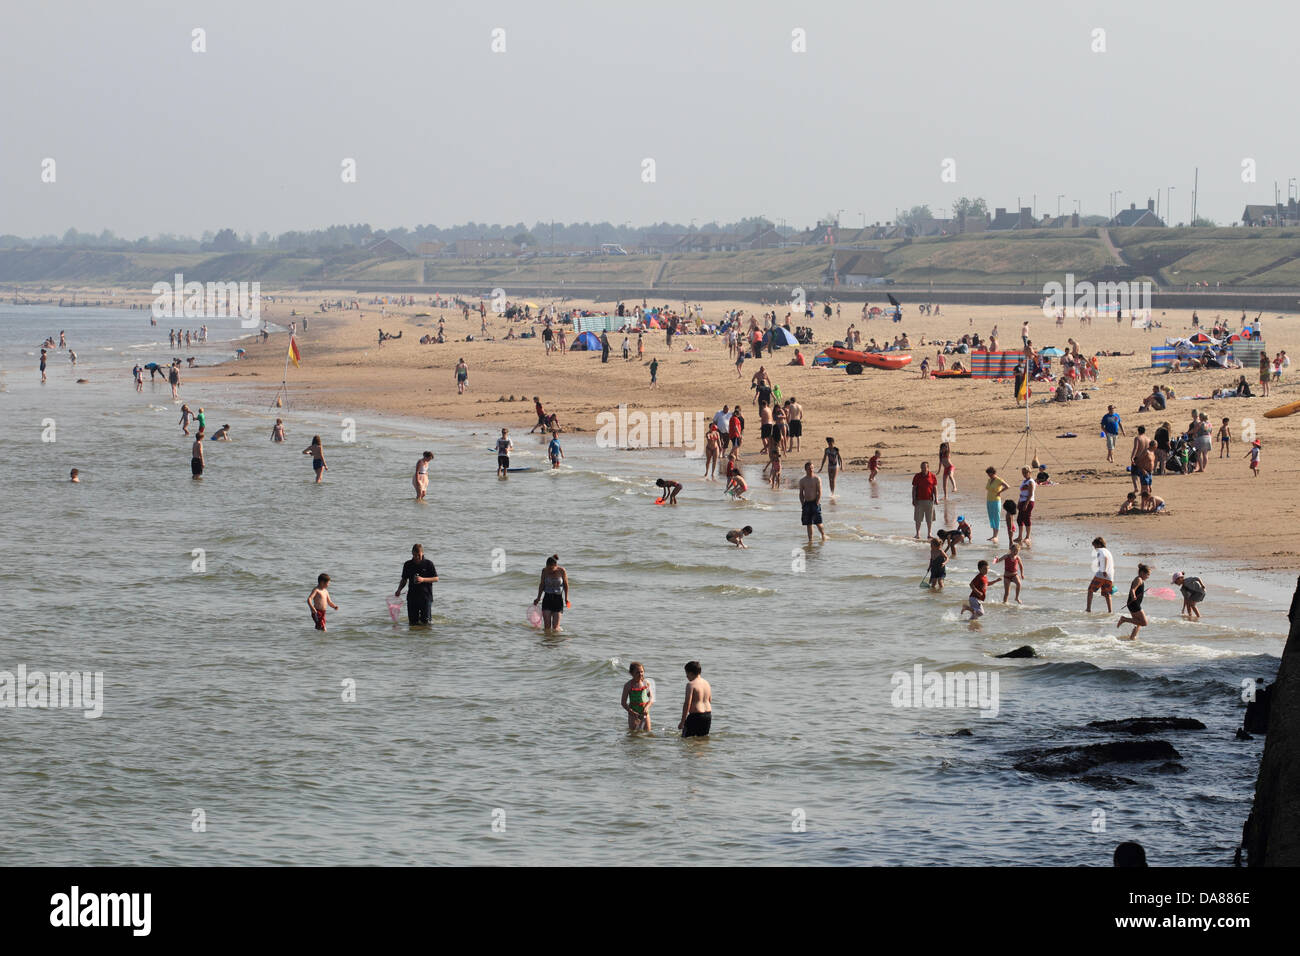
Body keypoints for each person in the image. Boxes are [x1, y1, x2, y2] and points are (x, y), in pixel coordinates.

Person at [395, 544, 439, 625]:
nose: (416, 557)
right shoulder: (408, 564)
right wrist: (399, 590)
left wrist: (423, 579)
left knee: (426, 623)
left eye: (419, 555)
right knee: (412, 623)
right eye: (414, 555)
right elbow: (404, 579)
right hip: (412, 598)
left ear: (422, 553)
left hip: (426, 597)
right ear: (412, 553)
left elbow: (436, 578)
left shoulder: (428, 564)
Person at [533, 555, 569, 632]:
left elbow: (566, 585)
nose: (549, 570)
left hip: (558, 600)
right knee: (547, 628)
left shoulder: (562, 571)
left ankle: (556, 638)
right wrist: (538, 598)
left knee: (555, 628)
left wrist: (566, 599)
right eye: (548, 568)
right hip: (547, 599)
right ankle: (547, 639)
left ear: (556, 565)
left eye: (551, 568)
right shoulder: (544, 571)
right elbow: (542, 585)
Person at [1117, 564, 1152, 640]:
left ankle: (1132, 637)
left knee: (1137, 622)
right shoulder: (1139, 579)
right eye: (1147, 574)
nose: (1148, 577)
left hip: (1133, 603)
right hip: (1134, 604)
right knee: (1144, 623)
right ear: (1142, 573)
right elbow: (1133, 589)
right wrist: (1133, 596)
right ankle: (1124, 619)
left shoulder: (1140, 579)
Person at [679, 661, 712, 738]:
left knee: (685, 739)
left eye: (686, 674)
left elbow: (687, 703)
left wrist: (682, 721)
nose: (686, 676)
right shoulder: (707, 683)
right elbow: (709, 700)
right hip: (708, 716)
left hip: (695, 716)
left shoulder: (691, 685)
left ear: (690, 673)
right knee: (702, 739)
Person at [621, 662, 654, 731]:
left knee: (648, 732)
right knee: (634, 734)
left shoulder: (646, 683)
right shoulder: (628, 685)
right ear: (631, 673)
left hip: (645, 712)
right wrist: (631, 712)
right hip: (633, 714)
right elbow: (623, 703)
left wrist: (647, 708)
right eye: (637, 672)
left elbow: (651, 698)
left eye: (642, 672)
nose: (640, 674)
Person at [798, 462, 826, 542]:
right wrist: (802, 504)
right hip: (806, 503)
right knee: (808, 523)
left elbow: (819, 491)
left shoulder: (816, 479)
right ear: (805, 469)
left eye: (812, 468)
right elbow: (801, 493)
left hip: (815, 503)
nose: (811, 470)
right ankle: (810, 540)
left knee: (818, 522)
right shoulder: (802, 480)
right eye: (809, 468)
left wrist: (817, 502)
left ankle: (823, 535)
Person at [1087, 536, 1115, 612]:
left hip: (1101, 574)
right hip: (1110, 576)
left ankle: (1088, 609)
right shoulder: (1107, 551)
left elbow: (1105, 558)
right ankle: (1110, 611)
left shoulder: (1100, 551)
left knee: (1090, 590)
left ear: (1099, 544)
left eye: (1095, 546)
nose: (1094, 548)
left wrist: (1104, 570)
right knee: (1107, 594)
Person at [911, 461, 938, 538]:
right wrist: (913, 499)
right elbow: (914, 489)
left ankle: (929, 534)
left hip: (929, 500)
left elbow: (935, 488)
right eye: (922, 467)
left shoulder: (932, 476)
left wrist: (936, 499)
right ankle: (917, 534)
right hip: (919, 501)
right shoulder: (917, 476)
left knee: (929, 519)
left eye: (925, 467)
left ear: (928, 468)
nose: (923, 469)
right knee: (918, 519)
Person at [985, 467, 1010, 541]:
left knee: (996, 517)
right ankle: (993, 535)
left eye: (989, 474)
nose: (988, 475)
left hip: (996, 501)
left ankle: (996, 536)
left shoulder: (999, 480)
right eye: (988, 474)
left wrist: (1000, 492)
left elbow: (1007, 486)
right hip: (989, 500)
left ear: (993, 473)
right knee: (991, 517)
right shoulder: (989, 480)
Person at [1016, 467, 1035, 547]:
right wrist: (1019, 502)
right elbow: (1021, 493)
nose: (1024, 474)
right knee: (1019, 519)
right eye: (1023, 472)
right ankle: (1020, 536)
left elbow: (1030, 494)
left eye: (1025, 472)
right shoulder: (1024, 481)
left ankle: (1027, 537)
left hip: (1028, 501)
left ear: (1029, 472)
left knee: (1027, 518)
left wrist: (1026, 504)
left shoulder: (1031, 482)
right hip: (1022, 500)